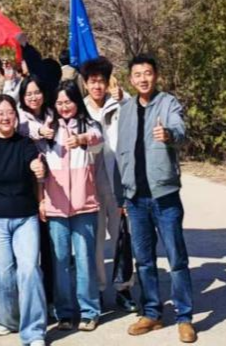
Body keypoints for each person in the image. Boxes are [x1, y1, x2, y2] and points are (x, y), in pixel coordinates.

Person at [115, 55, 196, 343]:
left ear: (156, 75)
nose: (143, 79)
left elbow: (181, 131)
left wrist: (169, 134)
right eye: (137, 74)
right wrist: (122, 196)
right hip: (135, 198)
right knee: (144, 260)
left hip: (164, 195)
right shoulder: (125, 109)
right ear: (131, 79)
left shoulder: (168, 103)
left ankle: (185, 317)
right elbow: (120, 153)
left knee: (176, 258)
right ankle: (151, 312)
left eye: (147, 73)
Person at [0, 95, 48, 346]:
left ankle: (34, 331)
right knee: (4, 276)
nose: (6, 117)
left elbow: (35, 165)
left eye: (10, 112)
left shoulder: (25, 144)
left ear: (16, 116)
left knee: (29, 270)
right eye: (1, 113)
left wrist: (38, 169)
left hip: (25, 218)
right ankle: (9, 319)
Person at [40, 81, 103, 331]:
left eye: (68, 101)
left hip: (84, 204)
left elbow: (99, 140)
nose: (64, 107)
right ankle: (64, 312)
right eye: (59, 102)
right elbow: (37, 155)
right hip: (56, 205)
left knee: (85, 259)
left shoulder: (89, 125)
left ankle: (89, 311)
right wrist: (41, 199)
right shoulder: (48, 127)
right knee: (61, 262)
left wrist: (82, 139)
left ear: (77, 101)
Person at [79, 56, 136, 312]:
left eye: (101, 81)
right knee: (95, 241)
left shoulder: (120, 103)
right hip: (90, 185)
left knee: (122, 236)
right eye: (92, 82)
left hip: (118, 181)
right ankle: (100, 289)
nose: (97, 86)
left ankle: (123, 288)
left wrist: (123, 98)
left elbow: (135, 118)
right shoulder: (80, 109)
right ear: (85, 83)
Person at [15, 75, 56, 305]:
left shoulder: (52, 113)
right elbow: (24, 128)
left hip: (54, 185)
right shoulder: (19, 116)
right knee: (30, 249)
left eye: (37, 92)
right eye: (28, 93)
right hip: (29, 186)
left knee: (50, 246)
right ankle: (29, 297)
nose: (33, 97)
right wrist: (41, 131)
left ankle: (50, 297)